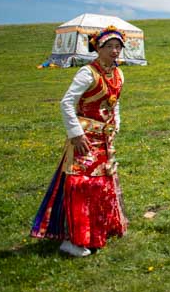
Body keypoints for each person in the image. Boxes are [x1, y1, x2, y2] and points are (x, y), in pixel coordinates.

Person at [31, 26, 129, 257]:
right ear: (98, 48)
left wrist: (116, 125)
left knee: (103, 185)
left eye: (118, 47)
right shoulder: (87, 73)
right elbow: (67, 102)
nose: (115, 51)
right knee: (82, 186)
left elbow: (115, 103)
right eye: (110, 47)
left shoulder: (118, 74)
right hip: (84, 140)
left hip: (105, 139)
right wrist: (75, 134)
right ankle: (73, 240)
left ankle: (98, 232)